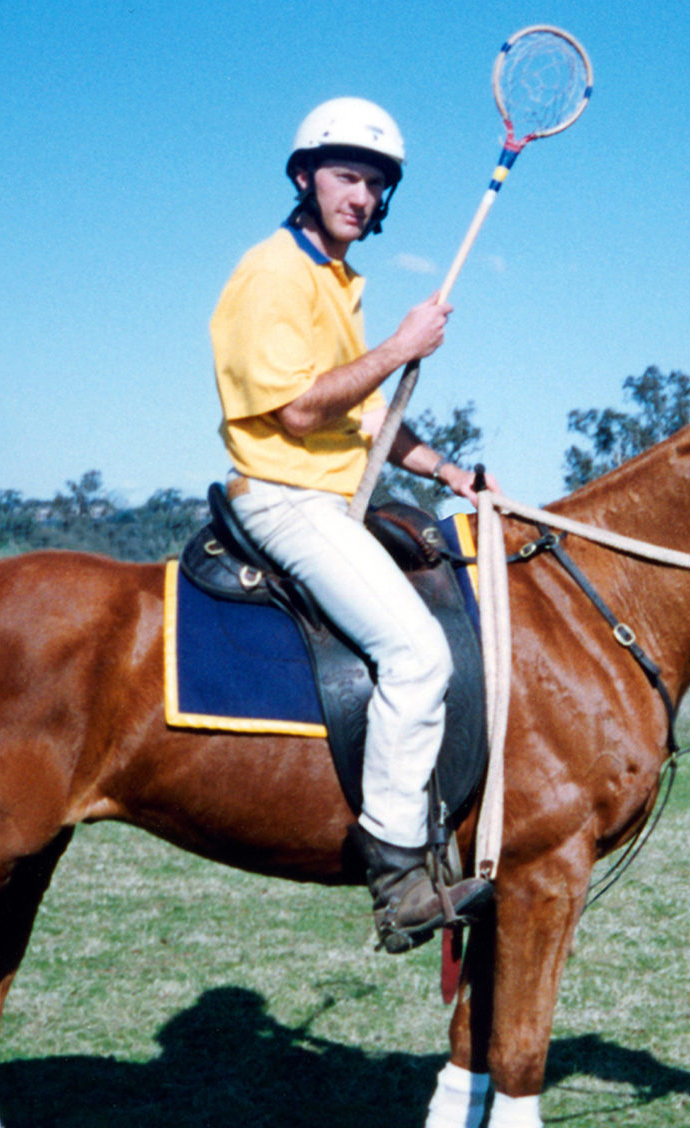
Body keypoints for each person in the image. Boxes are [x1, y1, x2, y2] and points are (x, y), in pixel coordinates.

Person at [210, 97, 497, 951]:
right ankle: (399, 871)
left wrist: (452, 472)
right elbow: (301, 410)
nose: (361, 195)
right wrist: (401, 347)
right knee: (417, 655)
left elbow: (365, 415)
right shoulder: (274, 273)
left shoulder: (335, 280)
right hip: (285, 495)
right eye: (346, 176)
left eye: (375, 183)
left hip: (338, 495)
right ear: (304, 176)